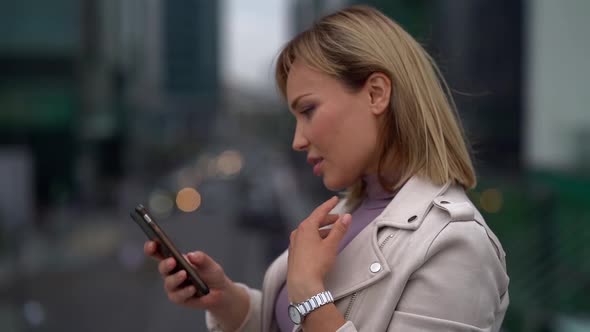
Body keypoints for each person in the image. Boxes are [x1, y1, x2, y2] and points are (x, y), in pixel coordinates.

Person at [144, 5, 509, 331]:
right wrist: (227, 300)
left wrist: (309, 294)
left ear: (376, 93)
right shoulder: (347, 210)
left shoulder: (457, 245)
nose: (297, 140)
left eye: (308, 110)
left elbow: (311, 307)